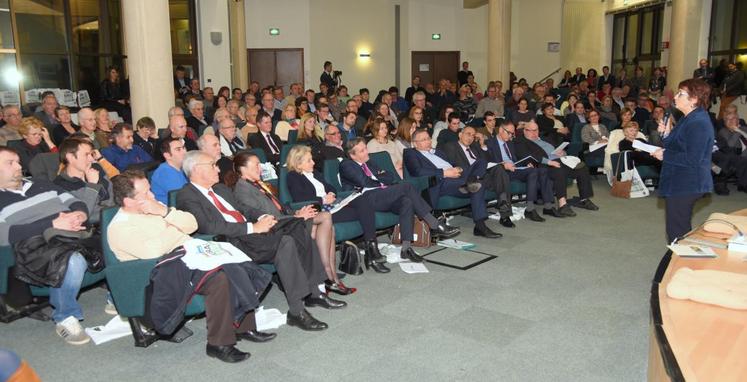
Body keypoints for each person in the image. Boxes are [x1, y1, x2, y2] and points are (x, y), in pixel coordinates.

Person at [108, 170, 275, 363]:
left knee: (234, 264)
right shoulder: (121, 227)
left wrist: (165, 213)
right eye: (146, 194)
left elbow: (191, 223)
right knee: (218, 278)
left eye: (150, 190)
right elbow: (153, 251)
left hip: (188, 257)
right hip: (160, 273)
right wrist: (173, 228)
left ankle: (245, 327)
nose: (152, 196)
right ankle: (218, 344)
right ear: (129, 202)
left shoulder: (156, 208)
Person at [176, 151, 344, 331]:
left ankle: (315, 291)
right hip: (234, 241)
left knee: (297, 226)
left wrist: (263, 217)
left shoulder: (221, 189)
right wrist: (252, 228)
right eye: (212, 165)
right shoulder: (187, 196)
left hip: (253, 233)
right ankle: (298, 310)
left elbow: (244, 209)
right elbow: (208, 227)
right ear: (196, 169)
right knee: (286, 241)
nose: (218, 169)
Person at [0, 147, 93, 345]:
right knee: (73, 261)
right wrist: (51, 224)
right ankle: (64, 316)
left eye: (18, 161)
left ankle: (119, 296)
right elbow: (4, 235)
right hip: (34, 247)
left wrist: (79, 215)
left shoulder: (40, 183)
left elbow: (74, 201)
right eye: (10, 163)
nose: (19, 166)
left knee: (114, 237)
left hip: (69, 233)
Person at [228, 151, 355, 293]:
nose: (261, 168)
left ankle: (329, 276)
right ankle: (328, 276)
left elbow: (280, 208)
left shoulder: (256, 184)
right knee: (324, 220)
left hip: (287, 221)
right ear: (243, 169)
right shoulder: (243, 190)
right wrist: (298, 218)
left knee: (325, 220)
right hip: (276, 230)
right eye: (257, 165)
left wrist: (296, 213)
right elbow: (266, 218)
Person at [340, 138, 461, 258]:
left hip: (383, 195)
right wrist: (380, 179)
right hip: (366, 199)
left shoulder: (369, 161)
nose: (366, 152)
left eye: (365, 148)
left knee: (406, 202)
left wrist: (379, 179)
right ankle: (434, 224)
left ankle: (406, 248)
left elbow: (390, 176)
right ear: (352, 155)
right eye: (362, 151)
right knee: (406, 187)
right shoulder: (346, 165)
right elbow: (365, 182)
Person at [285, 145, 389, 273]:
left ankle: (372, 251)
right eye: (309, 160)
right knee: (365, 211)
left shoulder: (314, 173)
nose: (313, 162)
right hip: (320, 212)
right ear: (298, 164)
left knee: (363, 201)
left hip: (332, 205)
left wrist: (330, 194)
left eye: (312, 159)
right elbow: (300, 198)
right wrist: (322, 199)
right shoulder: (293, 177)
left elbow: (331, 187)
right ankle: (371, 254)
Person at [404, 130, 501, 238]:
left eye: (428, 138)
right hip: (441, 181)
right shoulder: (410, 153)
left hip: (457, 176)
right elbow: (417, 171)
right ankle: (480, 226)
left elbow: (451, 163)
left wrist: (457, 168)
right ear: (415, 143)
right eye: (424, 140)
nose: (428, 141)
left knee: (481, 162)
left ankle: (470, 181)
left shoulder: (437, 152)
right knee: (478, 186)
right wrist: (444, 173)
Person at [651, 79, 714, 243]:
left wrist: (665, 155)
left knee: (677, 230)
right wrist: (665, 133)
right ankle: (682, 261)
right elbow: (676, 145)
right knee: (677, 228)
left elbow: (693, 159)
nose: (676, 97)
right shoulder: (688, 118)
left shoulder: (698, 122)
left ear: (694, 99)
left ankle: (685, 264)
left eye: (681, 94)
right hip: (680, 180)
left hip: (687, 182)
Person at [515, 120, 599, 216]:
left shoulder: (545, 138)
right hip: (544, 165)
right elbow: (526, 155)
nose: (534, 133)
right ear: (525, 131)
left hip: (560, 160)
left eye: (536, 130)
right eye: (531, 131)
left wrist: (563, 153)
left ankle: (584, 199)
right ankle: (562, 205)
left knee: (582, 167)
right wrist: (549, 162)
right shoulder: (520, 141)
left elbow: (557, 149)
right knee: (559, 168)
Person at [441, 126, 514, 228]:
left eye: (473, 135)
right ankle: (503, 214)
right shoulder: (451, 146)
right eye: (468, 134)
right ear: (460, 135)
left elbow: (488, 160)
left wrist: (483, 145)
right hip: (466, 176)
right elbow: (453, 165)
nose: (470, 137)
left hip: (483, 176)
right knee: (498, 175)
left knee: (500, 171)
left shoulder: (475, 147)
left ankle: (505, 215)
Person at [487, 120, 555, 223]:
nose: (511, 135)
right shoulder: (490, 143)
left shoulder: (510, 142)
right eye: (509, 132)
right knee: (532, 172)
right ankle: (523, 210)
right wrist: (503, 164)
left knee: (537, 170)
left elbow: (517, 157)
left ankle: (539, 207)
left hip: (515, 168)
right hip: (502, 171)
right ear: (500, 130)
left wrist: (525, 164)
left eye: (512, 133)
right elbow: (489, 162)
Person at [54, 138, 114, 224]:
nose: (91, 159)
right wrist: (92, 185)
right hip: (93, 230)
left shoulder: (97, 169)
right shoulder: (60, 185)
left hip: (112, 218)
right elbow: (81, 216)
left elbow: (111, 195)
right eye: (86, 155)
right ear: (70, 157)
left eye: (91, 154)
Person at [151, 137, 188, 204]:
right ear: (167, 155)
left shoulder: (182, 167)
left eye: (183, 148)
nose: (184, 152)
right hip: (172, 210)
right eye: (178, 149)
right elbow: (184, 198)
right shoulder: (164, 172)